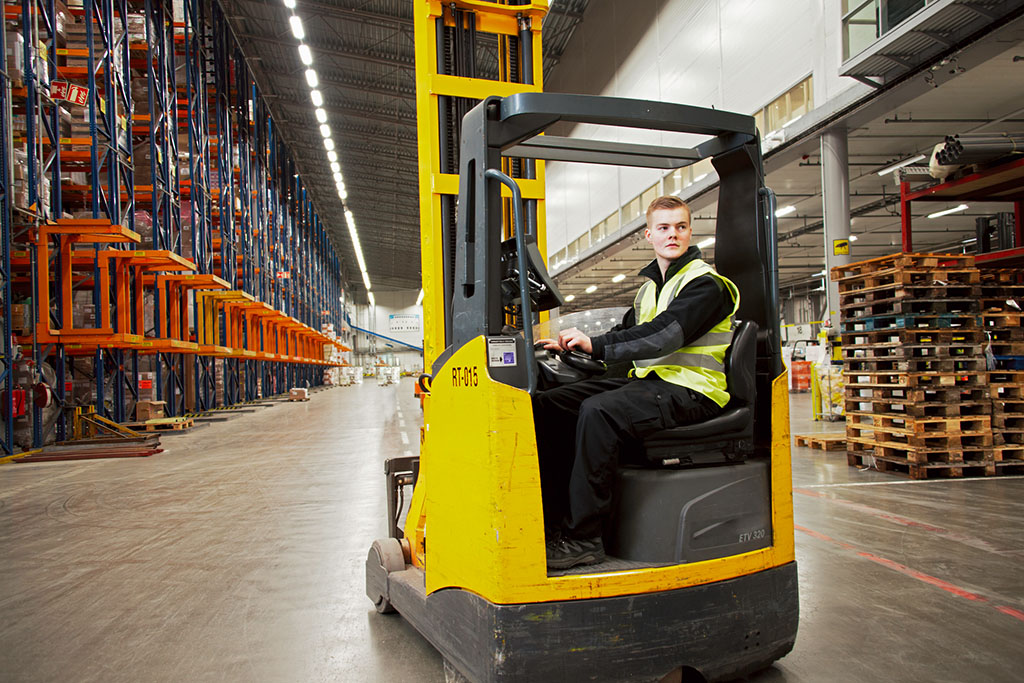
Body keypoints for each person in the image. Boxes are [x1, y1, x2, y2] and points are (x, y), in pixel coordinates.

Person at [534, 195, 740, 570]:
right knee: (551, 404)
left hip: (694, 391)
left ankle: (584, 538)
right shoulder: (650, 290)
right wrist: (569, 346)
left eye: (680, 227)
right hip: (654, 384)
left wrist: (597, 345)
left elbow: (663, 336)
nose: (672, 234)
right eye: (664, 228)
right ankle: (552, 522)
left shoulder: (707, 285)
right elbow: (625, 333)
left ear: (690, 231)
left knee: (599, 411)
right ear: (649, 235)